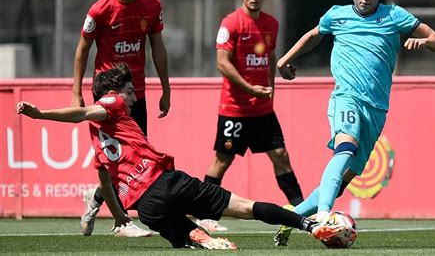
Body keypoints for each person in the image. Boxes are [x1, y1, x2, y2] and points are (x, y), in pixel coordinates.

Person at [17, 63, 330, 250]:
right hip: (167, 183)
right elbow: (87, 110)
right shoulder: (112, 103)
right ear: (115, 92)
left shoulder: (99, 143)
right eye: (130, 90)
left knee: (183, 236)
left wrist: (118, 218)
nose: (134, 95)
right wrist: (41, 114)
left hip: (147, 209)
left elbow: (104, 181)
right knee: (246, 207)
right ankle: (309, 224)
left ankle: (197, 236)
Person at [273, 0, 435, 246]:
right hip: (347, 98)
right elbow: (315, 35)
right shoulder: (336, 15)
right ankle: (324, 215)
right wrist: (285, 59)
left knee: (341, 182)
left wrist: (425, 42)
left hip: (376, 109)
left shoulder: (394, 16)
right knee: (345, 147)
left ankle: (290, 218)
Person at [71, 0, 171, 237]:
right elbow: (82, 50)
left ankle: (97, 198)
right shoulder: (99, 9)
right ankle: (120, 221)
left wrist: (166, 88)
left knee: (136, 159)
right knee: (109, 157)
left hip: (135, 94)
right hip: (106, 94)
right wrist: (76, 92)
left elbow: (158, 48)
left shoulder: (152, 6)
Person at [199, 0, 304, 232]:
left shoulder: (270, 24)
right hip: (234, 109)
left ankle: (303, 211)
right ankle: (205, 214)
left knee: (280, 156)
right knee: (223, 160)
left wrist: (270, 90)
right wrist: (249, 89)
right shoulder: (231, 24)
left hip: (262, 109)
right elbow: (222, 63)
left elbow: (269, 58)